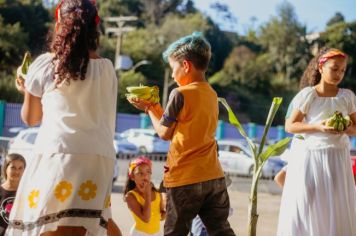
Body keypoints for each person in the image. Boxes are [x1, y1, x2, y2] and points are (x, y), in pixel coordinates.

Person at [9, 0, 121, 235]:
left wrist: (28, 90)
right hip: (98, 158)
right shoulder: (108, 68)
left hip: (58, 154)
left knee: (44, 226)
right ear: (94, 29)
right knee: (78, 230)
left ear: (59, 24)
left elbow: (31, 118)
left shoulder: (45, 65)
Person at [128, 32, 235, 235]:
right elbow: (179, 125)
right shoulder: (212, 94)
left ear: (185, 66)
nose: (172, 75)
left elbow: (164, 133)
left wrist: (149, 108)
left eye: (173, 68)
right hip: (214, 177)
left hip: (186, 178)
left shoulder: (180, 93)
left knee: (175, 232)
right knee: (221, 230)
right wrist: (155, 106)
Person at [277, 47, 356, 236]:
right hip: (311, 159)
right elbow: (290, 125)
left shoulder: (347, 97)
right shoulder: (307, 95)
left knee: (336, 205)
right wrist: (318, 127)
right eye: (334, 68)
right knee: (308, 205)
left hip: (338, 158)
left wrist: (345, 129)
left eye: (343, 70)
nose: (339, 74)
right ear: (321, 67)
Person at [124, 156, 166, 236]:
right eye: (140, 173)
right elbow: (146, 218)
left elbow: (161, 217)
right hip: (139, 233)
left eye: (148, 172)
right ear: (132, 177)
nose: (145, 177)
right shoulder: (130, 196)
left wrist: (167, 208)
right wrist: (148, 195)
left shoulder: (157, 193)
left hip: (157, 233)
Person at [0, 154, 26, 236]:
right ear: (5, 168)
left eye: (20, 168)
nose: (17, 171)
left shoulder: (28, 192)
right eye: (13, 167)